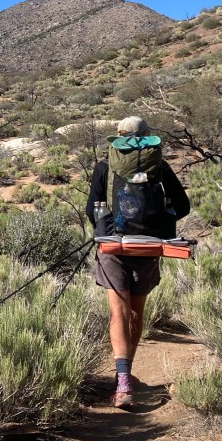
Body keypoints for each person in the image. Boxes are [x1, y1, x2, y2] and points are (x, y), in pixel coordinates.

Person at [85, 116, 190, 408]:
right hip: (148, 247)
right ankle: (127, 374)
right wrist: (158, 222)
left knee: (118, 314)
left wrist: (107, 226)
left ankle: (122, 384)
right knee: (135, 313)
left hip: (112, 247)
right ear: (147, 136)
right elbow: (183, 206)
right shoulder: (160, 166)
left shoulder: (105, 166)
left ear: (118, 136)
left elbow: (91, 210)